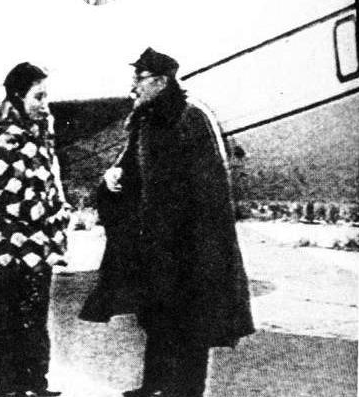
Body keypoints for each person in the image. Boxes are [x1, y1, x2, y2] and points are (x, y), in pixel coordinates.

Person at [80, 47, 255, 397]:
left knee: (192, 324)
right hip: (156, 246)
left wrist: (200, 249)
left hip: (189, 248)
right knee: (158, 318)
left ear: (161, 81)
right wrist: (112, 179)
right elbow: (128, 169)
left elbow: (209, 193)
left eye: (139, 80)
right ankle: (154, 385)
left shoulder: (191, 119)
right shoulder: (144, 121)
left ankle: (187, 392)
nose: (133, 87)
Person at [0, 62, 70, 397]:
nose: (44, 104)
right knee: (11, 314)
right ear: (17, 97)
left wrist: (57, 212)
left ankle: (35, 382)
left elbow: (50, 185)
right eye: (37, 97)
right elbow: (11, 199)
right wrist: (53, 215)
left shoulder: (39, 135)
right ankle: (2, 383)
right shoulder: (3, 139)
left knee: (34, 315)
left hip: (41, 246)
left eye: (46, 97)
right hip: (16, 247)